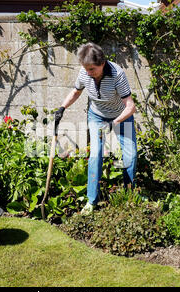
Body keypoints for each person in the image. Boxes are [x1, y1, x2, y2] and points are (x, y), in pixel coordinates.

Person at [54, 42, 137, 215]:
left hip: (121, 117)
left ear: (102, 63)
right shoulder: (85, 73)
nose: (87, 73)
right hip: (97, 116)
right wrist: (62, 107)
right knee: (95, 155)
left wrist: (113, 123)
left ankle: (130, 195)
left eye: (92, 69)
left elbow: (130, 107)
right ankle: (92, 201)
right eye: (85, 68)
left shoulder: (117, 74)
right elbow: (76, 92)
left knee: (131, 155)